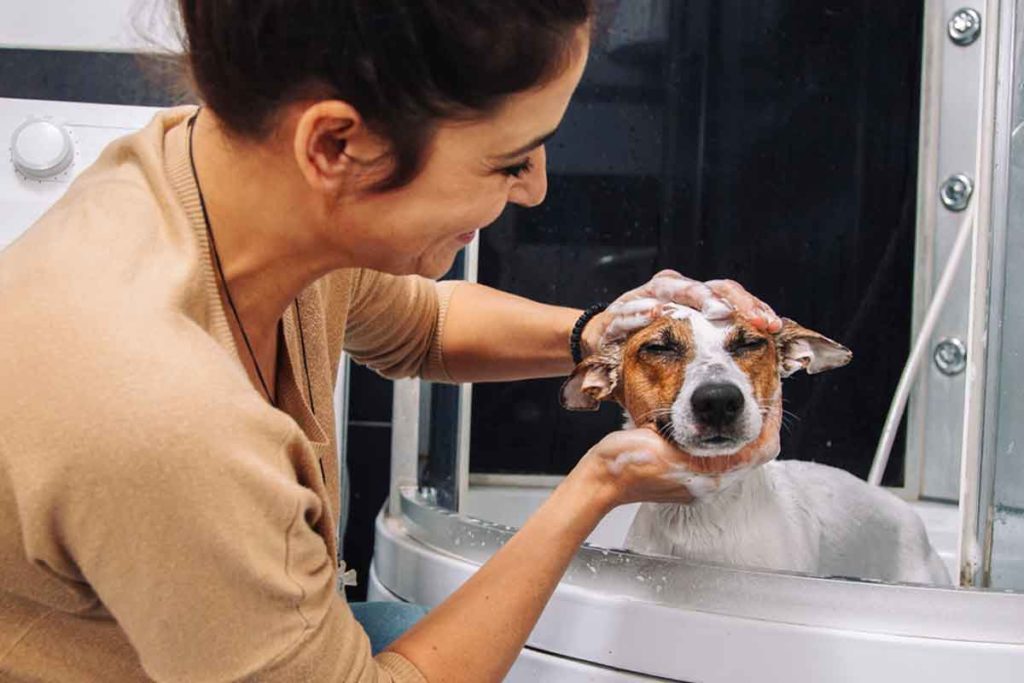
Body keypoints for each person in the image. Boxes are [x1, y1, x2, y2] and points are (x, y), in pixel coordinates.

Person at [0, 1, 780, 681]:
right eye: (510, 159)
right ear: (337, 146)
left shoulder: (229, 185)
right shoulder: (159, 411)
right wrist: (595, 486)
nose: (536, 188)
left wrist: (608, 332)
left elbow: (422, 322)